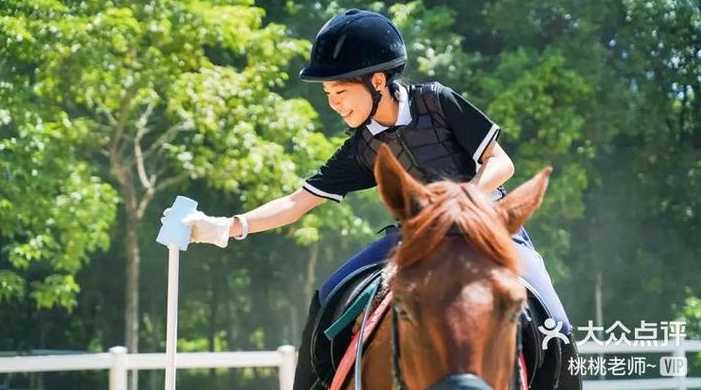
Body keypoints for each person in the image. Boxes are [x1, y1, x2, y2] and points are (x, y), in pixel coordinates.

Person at [179, 9, 575, 389]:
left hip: (488, 226)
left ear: (378, 81)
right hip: (415, 235)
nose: (333, 102)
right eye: (328, 93)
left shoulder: (438, 102)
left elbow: (501, 163)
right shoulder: (361, 147)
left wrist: (463, 202)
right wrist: (229, 226)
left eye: (340, 90)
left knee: (553, 321)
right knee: (328, 293)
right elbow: (298, 202)